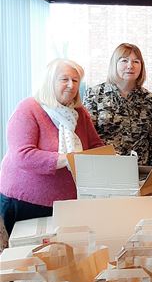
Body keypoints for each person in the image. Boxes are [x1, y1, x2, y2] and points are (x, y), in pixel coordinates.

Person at [0, 58, 104, 235]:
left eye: (75, 80)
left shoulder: (79, 112)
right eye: (64, 79)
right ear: (50, 81)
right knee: (28, 259)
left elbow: (96, 146)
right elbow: (22, 155)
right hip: (25, 202)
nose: (71, 85)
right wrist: (67, 159)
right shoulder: (28, 108)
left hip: (67, 203)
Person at [84, 43, 152, 166]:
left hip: (140, 171)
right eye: (124, 60)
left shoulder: (150, 100)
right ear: (114, 64)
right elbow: (87, 136)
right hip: (104, 168)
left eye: (136, 61)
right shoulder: (94, 94)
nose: (130, 66)